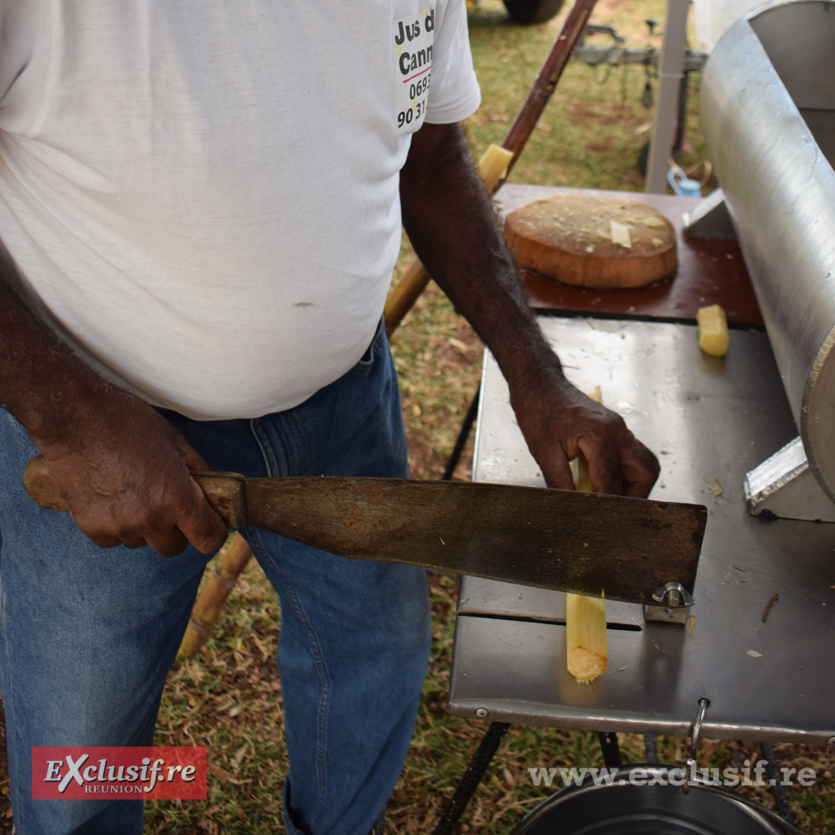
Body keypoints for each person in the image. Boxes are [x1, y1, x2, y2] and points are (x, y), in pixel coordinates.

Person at [0, 2, 659, 833]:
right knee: (83, 733)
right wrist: (73, 423)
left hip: (344, 404)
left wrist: (536, 375)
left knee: (373, 655)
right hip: (104, 433)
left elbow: (429, 157)